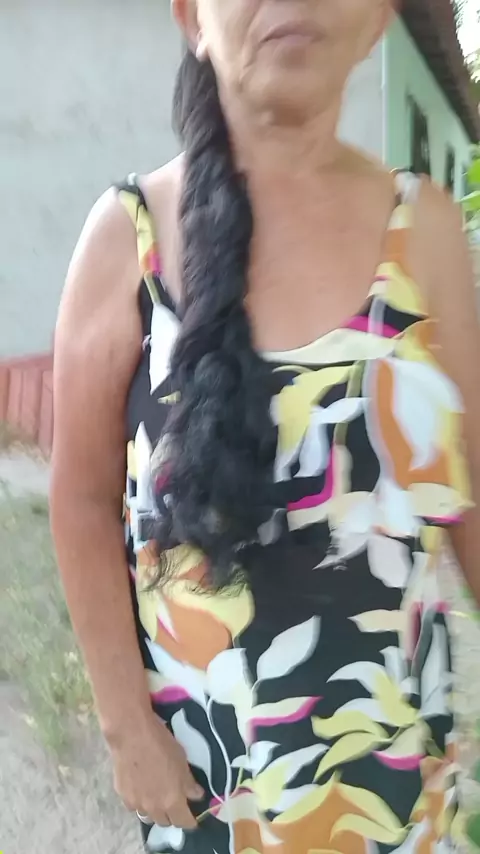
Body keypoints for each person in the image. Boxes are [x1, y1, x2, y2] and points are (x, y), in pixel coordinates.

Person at [50, 0, 480, 852]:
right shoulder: (129, 239)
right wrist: (125, 728)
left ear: (378, 20)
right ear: (192, 17)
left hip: (401, 783)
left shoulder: (426, 232)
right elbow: (80, 499)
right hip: (215, 788)